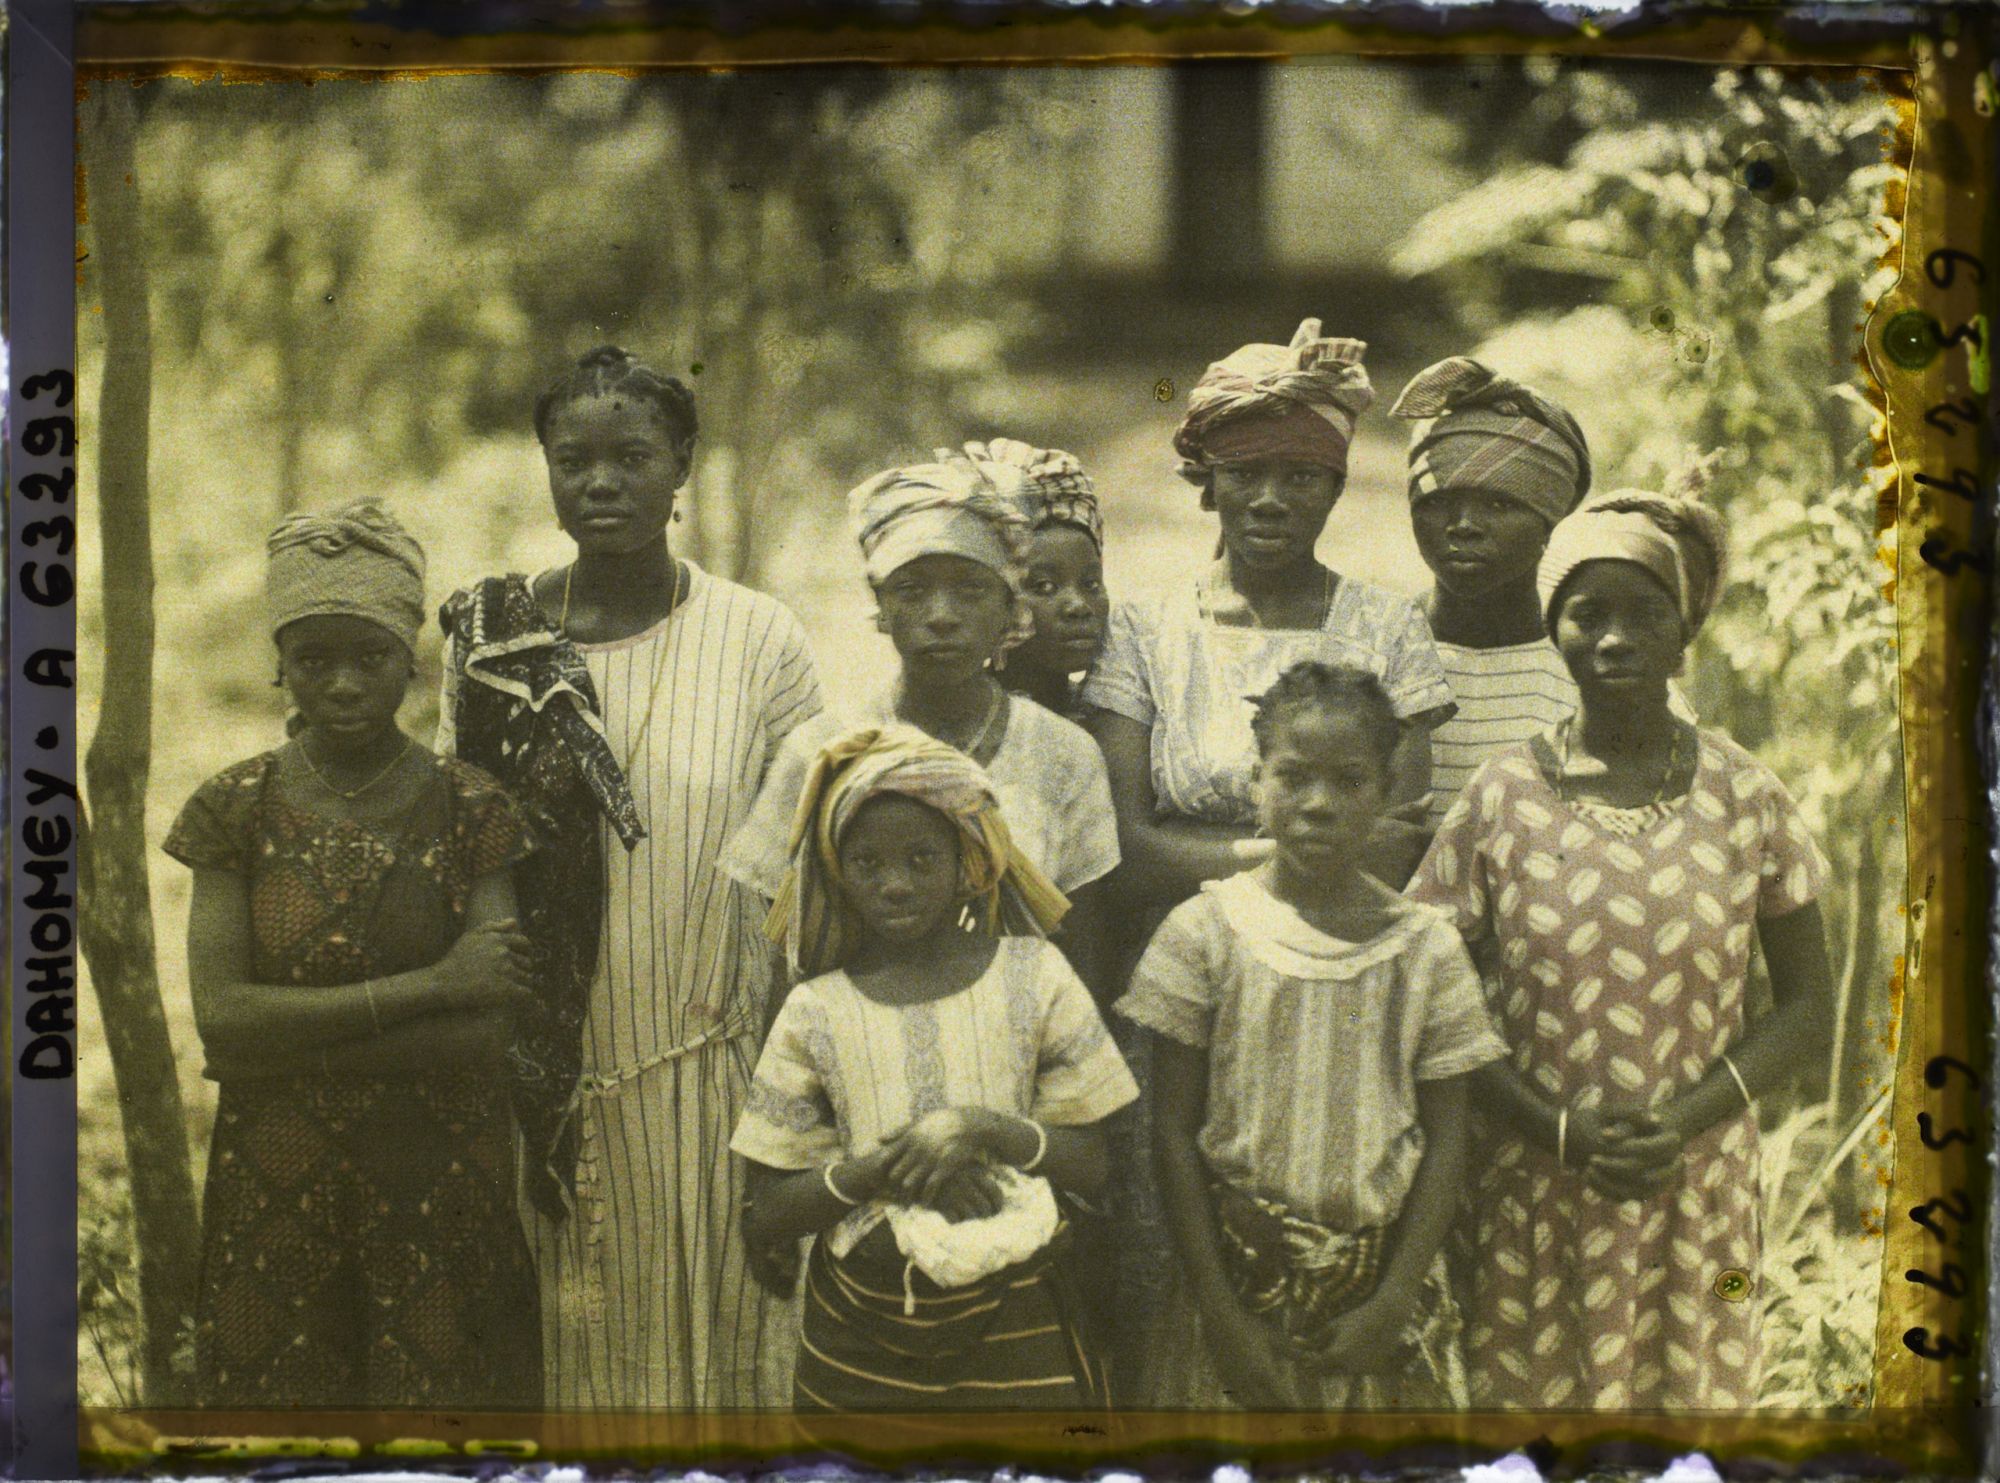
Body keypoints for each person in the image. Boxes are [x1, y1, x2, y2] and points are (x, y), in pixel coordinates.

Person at [438, 345, 825, 1410]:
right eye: (574, 460)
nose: (601, 482)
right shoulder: (495, 643)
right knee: (582, 1373)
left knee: (726, 1364)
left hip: (717, 1066)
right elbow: (465, 835)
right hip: (552, 1079)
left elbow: (804, 866)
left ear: (683, 463)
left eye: (633, 456)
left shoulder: (759, 638)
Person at [1408, 468, 1835, 1409]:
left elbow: (1809, 1010)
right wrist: (1553, 1126)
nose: (1613, 637)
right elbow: (1431, 991)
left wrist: (1679, 1122)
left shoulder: (1747, 797)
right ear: (1552, 629)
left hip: (1697, 1187)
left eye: (1644, 613)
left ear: (1685, 630)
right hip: (1532, 1183)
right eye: (1586, 613)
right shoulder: (1501, 796)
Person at [164, 501, 541, 1409]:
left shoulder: (473, 808)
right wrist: (435, 984)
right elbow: (223, 1018)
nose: (341, 683)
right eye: (313, 659)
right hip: (276, 1186)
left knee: (439, 1425)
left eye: (369, 656)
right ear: (280, 664)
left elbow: (485, 1033)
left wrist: (283, 1048)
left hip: (438, 1184)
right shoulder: (233, 808)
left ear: (410, 659)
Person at [1117, 661, 1507, 1409]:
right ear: (1255, 783)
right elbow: (1171, 1133)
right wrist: (1222, 1315)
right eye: (1293, 777)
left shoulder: (1425, 949)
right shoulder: (1205, 933)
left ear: (1387, 793)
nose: (1318, 804)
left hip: (1379, 1300)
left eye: (1349, 781)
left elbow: (1447, 1138)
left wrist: (1392, 1302)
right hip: (1233, 1294)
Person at [731, 726, 1138, 1411]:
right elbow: (770, 1211)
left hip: (1017, 1330)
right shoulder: (815, 1010)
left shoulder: (1034, 975)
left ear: (967, 861)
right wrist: (888, 1171)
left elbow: (1095, 1164)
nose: (894, 884)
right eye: (866, 863)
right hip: (861, 1344)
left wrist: (982, 1129)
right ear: (837, 872)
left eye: (922, 859)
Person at [1082, 318, 1455, 914]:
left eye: (1301, 477)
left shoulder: (1387, 627)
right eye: (1244, 473)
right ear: (1209, 484)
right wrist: (1312, 855)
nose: (1269, 501)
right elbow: (1125, 853)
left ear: (1336, 488)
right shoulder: (1144, 628)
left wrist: (1192, 848)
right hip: (1175, 934)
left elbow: (1393, 854)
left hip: (1339, 935)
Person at [723, 451, 1120, 984]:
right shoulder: (822, 751)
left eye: (970, 590)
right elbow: (787, 951)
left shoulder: (1063, 753)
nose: (941, 616)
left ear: (1010, 606)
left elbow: (1083, 947)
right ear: (881, 607)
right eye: (911, 590)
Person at [1387, 356, 1596, 829]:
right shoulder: (1375, 648)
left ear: (1550, 522)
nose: (1463, 525)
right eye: (1439, 501)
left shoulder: (1590, 663)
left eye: (1500, 503)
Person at [965, 438, 1112, 722]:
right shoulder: (971, 722)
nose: (1079, 606)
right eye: (1044, 586)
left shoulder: (1113, 719)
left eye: (1091, 584)